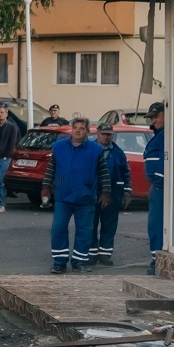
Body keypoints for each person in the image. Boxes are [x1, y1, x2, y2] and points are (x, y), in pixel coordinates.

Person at [40, 115, 111, 274]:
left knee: (84, 232)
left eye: (82, 129)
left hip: (85, 199)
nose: (78, 132)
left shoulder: (96, 150)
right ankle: (59, 263)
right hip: (63, 198)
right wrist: (45, 187)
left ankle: (79, 262)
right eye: (75, 128)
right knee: (58, 229)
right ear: (71, 130)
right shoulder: (59, 147)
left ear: (87, 131)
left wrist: (106, 192)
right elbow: (51, 169)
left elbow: (104, 173)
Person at [91, 123, 132, 266]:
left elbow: (125, 172)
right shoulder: (90, 149)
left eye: (109, 134)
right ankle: (92, 254)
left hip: (114, 193)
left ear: (112, 135)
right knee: (91, 223)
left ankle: (105, 255)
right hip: (93, 192)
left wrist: (127, 191)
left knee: (109, 224)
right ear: (97, 134)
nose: (106, 137)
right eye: (103, 134)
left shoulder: (118, 152)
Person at [144, 101, 166, 275]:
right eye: (150, 117)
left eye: (156, 116)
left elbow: (164, 157)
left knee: (157, 224)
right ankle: (156, 258)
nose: (153, 121)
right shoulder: (159, 134)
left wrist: (159, 180)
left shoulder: (166, 134)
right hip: (157, 186)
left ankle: (157, 261)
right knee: (155, 224)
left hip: (161, 186)